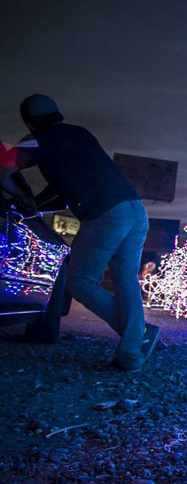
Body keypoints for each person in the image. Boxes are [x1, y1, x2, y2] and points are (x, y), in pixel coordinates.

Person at [0, 94, 160, 371]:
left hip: (106, 214)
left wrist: (19, 195)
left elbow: (3, 171)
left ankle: (139, 335)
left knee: (81, 283)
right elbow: (63, 191)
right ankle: (132, 352)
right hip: (135, 209)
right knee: (126, 281)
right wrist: (35, 202)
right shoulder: (79, 134)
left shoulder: (38, 139)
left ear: (29, 122)